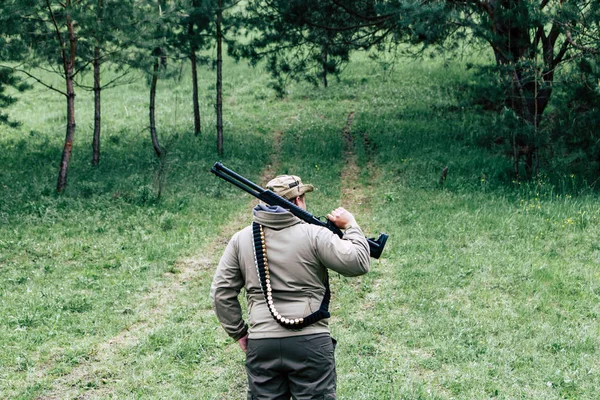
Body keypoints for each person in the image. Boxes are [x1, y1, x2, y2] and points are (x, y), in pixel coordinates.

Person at [210, 174, 370, 399]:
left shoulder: (241, 239)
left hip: (262, 344)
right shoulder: (315, 234)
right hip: (311, 342)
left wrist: (239, 333)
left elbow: (221, 292)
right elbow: (359, 262)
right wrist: (351, 226)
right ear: (297, 201)